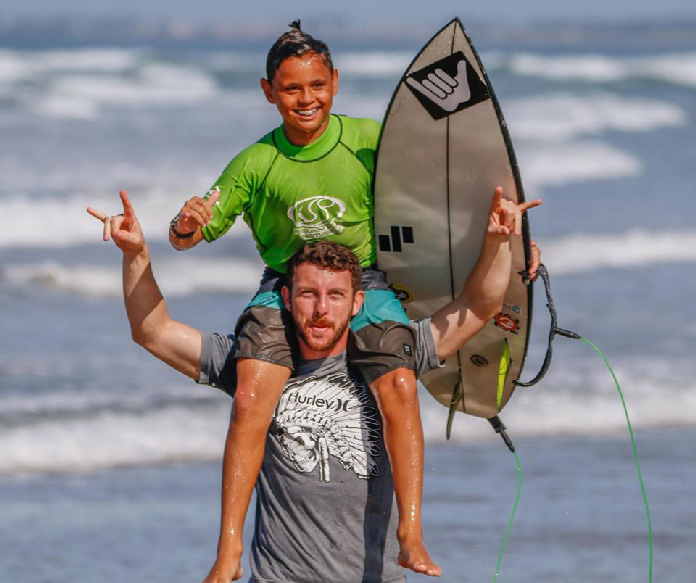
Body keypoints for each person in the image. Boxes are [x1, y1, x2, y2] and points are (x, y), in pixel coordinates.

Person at [87, 187, 540, 582]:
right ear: (285, 297)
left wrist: (498, 241)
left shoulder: (390, 359)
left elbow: (479, 305)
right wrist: (137, 256)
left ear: (358, 301)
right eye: (308, 294)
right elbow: (153, 331)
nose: (321, 309)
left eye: (335, 295)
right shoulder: (253, 365)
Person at [167, 20, 437, 574]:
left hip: (365, 282)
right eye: (290, 89)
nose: (305, 99)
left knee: (402, 386)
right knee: (248, 398)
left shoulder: (370, 140)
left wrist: (510, 245)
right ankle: (229, 549)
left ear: (334, 82)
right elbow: (188, 235)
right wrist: (183, 223)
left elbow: (445, 191)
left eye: (316, 86)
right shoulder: (254, 164)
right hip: (285, 287)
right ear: (268, 91)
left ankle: (410, 530)